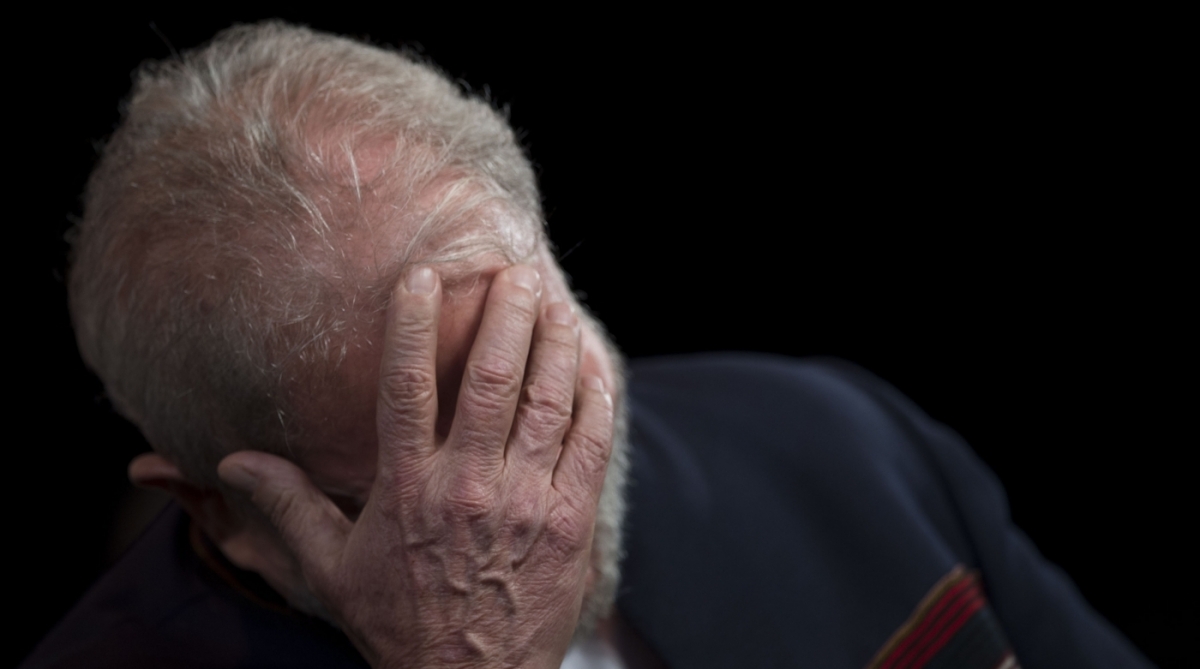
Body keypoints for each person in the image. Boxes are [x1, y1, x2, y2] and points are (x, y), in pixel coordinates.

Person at [24, 22, 1155, 669]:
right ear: (221, 512)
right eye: (432, 459)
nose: (540, 503)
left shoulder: (835, 440)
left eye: (535, 356)